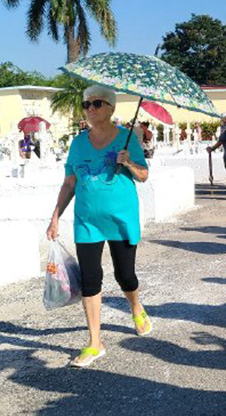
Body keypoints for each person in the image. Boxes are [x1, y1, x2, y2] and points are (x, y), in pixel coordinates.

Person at [45, 85, 152, 368]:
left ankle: (135, 306)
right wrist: (55, 215)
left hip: (121, 219)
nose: (90, 109)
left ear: (111, 108)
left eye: (97, 103)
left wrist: (129, 162)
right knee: (90, 280)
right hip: (87, 220)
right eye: (86, 104)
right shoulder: (78, 144)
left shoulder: (128, 140)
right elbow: (70, 182)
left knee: (125, 275)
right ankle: (95, 342)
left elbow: (143, 176)